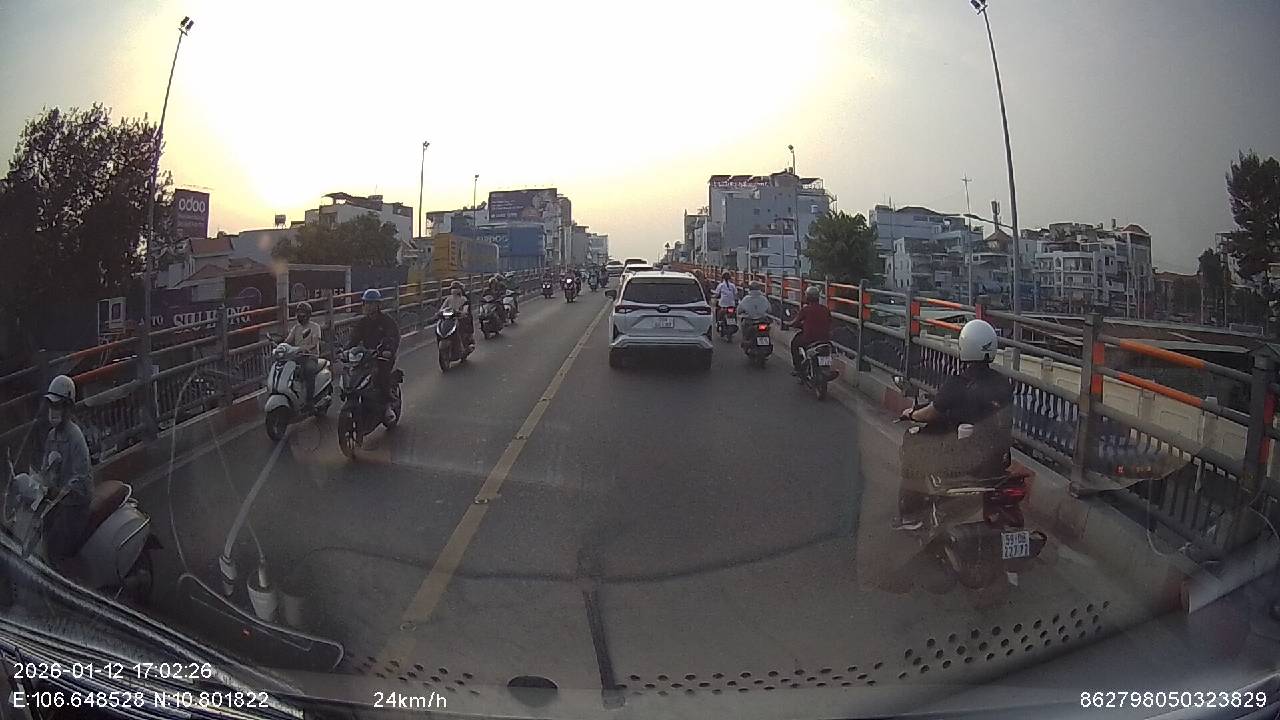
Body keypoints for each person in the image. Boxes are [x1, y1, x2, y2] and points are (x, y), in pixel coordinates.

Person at [894, 319, 1013, 530]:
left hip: (963, 457)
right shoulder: (1003, 383)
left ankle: (911, 515)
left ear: (964, 346)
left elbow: (931, 413)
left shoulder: (959, 383)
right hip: (997, 457)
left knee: (914, 446)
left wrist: (912, 413)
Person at [39, 375, 94, 562]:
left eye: (58, 406)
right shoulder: (51, 436)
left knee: (58, 546)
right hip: (57, 502)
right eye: (51, 405)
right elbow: (45, 469)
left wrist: (62, 491)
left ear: (68, 408)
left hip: (76, 504)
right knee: (42, 532)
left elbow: (81, 476)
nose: (53, 410)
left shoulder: (75, 436)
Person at [346, 289, 401, 423]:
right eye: (367, 303)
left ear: (378, 305)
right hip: (366, 356)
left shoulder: (387, 321)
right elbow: (354, 338)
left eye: (372, 303)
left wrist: (389, 350)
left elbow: (393, 337)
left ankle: (387, 405)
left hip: (383, 356)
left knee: (381, 374)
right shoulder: (363, 322)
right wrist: (345, 350)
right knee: (353, 374)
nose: (369, 306)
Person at [787, 285, 832, 375]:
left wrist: (788, 324)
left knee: (794, 343)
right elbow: (830, 322)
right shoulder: (825, 309)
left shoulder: (806, 309)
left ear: (808, 297)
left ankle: (797, 368)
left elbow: (795, 322)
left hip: (809, 338)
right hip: (824, 339)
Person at [284, 301, 323, 406]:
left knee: (309, 370)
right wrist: (281, 346)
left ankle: (310, 401)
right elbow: (288, 340)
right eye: (298, 313)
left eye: (302, 313)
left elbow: (314, 343)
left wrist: (305, 349)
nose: (299, 316)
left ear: (308, 315)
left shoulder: (315, 327)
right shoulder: (296, 328)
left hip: (310, 357)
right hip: (297, 357)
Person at [437, 280, 475, 350]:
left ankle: (465, 344)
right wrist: (439, 313)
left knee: (463, 328)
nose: (454, 290)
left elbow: (465, 309)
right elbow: (442, 308)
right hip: (449, 319)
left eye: (456, 288)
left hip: (459, 318)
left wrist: (462, 312)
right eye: (452, 288)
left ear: (460, 289)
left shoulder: (463, 299)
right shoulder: (449, 299)